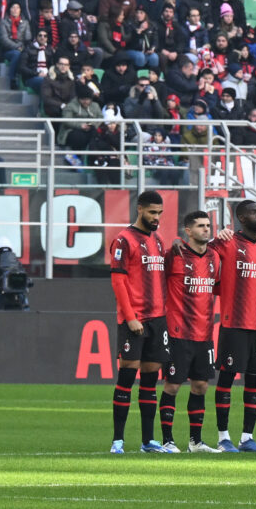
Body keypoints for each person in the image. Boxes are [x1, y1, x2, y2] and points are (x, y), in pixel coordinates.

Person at [208, 200, 256, 453]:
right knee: (226, 378)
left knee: (254, 380)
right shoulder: (226, 242)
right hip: (233, 322)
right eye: (254, 213)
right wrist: (216, 236)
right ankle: (223, 437)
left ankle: (247, 438)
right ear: (241, 218)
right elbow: (201, 253)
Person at [108, 190, 171, 454]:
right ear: (140, 210)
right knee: (127, 376)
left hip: (157, 319)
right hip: (135, 320)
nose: (157, 218)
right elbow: (118, 281)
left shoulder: (158, 240)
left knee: (149, 379)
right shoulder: (123, 240)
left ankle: (148, 441)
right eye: (152, 212)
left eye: (160, 213)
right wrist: (131, 317)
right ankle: (118, 441)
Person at [160, 211, 223, 453]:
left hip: (204, 334)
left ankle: (195, 442)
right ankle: (167, 441)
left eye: (208, 225)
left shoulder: (214, 258)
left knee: (200, 386)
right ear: (188, 231)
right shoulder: (174, 256)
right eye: (200, 226)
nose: (206, 229)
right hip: (178, 333)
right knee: (173, 385)